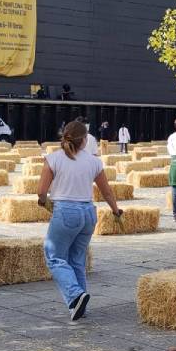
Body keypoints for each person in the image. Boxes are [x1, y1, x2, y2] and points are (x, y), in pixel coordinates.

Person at [37, 120, 123, 321]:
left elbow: (41, 192)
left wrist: (44, 202)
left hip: (66, 212)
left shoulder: (53, 159)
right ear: (84, 140)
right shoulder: (94, 161)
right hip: (88, 213)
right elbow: (107, 192)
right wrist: (116, 211)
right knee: (77, 260)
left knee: (55, 257)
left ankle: (75, 294)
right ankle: (79, 307)